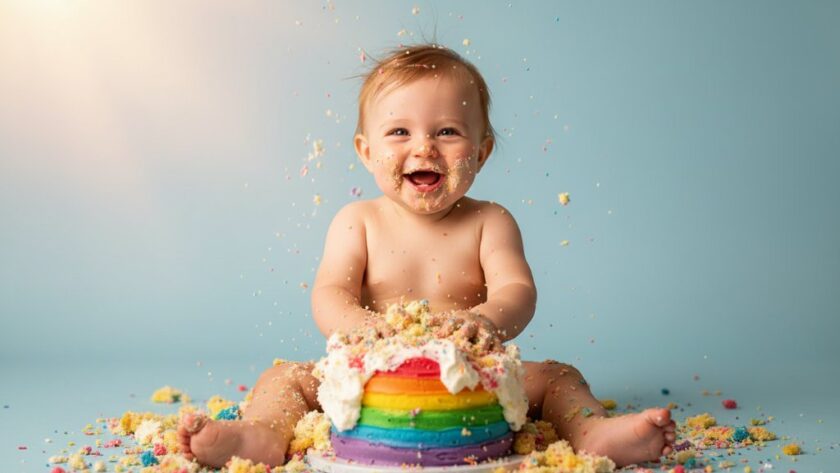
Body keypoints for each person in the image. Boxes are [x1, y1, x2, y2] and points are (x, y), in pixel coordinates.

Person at [178, 44, 676, 469]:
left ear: (481, 153)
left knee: (557, 377)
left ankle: (593, 434)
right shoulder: (358, 221)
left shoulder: (490, 221)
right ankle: (261, 435)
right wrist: (354, 324)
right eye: (399, 133)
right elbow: (330, 291)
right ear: (366, 151)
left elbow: (517, 291)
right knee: (284, 377)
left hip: (473, 374)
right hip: (368, 378)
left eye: (447, 132)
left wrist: (485, 320)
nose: (424, 148)